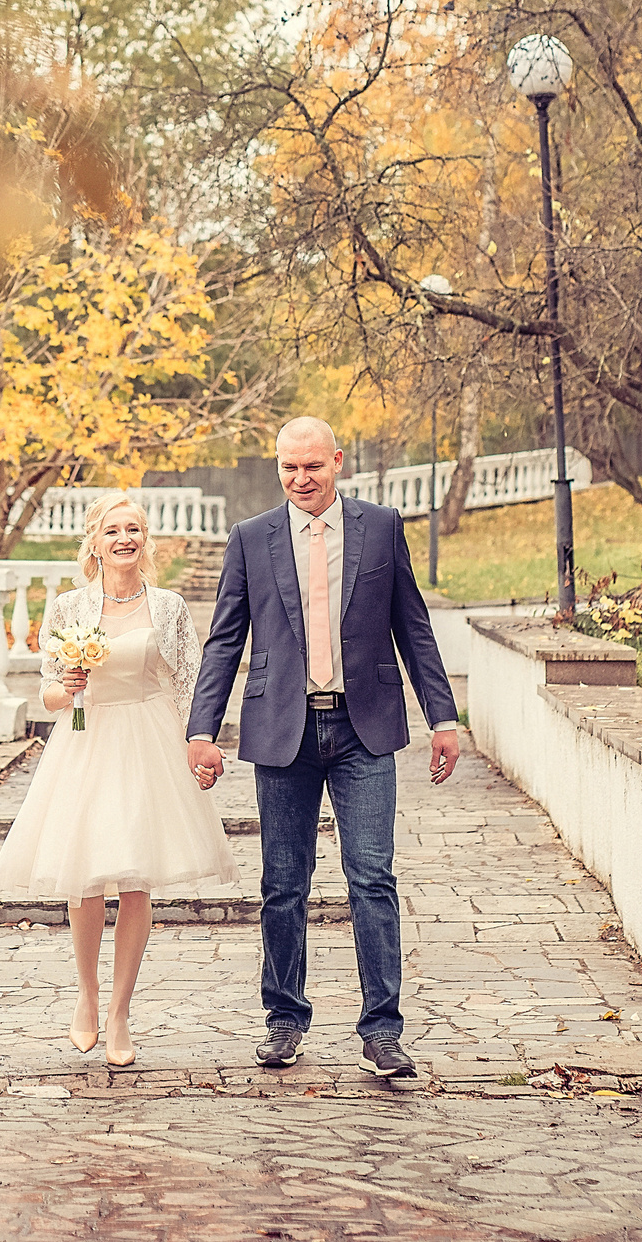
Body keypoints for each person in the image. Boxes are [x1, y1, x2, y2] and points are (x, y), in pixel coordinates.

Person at [185, 416, 462, 1078]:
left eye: (313, 466)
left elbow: (414, 629)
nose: (301, 478)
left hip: (364, 727)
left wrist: (443, 717)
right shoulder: (252, 539)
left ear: (337, 461)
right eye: (289, 467)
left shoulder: (382, 527)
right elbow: (225, 638)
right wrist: (202, 729)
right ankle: (284, 1019)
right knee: (283, 882)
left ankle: (382, 1031)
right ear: (276, 466)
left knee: (373, 877)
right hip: (284, 732)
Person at [0, 491, 238, 1066]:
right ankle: (86, 995)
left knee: (135, 880)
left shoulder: (169, 606)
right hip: (86, 741)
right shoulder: (69, 609)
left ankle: (121, 1013)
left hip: (149, 742)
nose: (125, 539)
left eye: (135, 530)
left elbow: (189, 685)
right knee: (84, 879)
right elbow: (47, 693)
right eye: (113, 531)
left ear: (144, 541)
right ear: (94, 543)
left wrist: (198, 747)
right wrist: (68, 683)